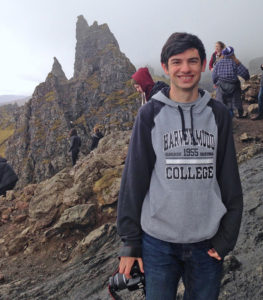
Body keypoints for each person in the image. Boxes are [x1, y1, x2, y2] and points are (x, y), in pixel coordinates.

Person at [117, 32, 243, 300]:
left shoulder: (218, 114)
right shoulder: (149, 114)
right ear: (165, 68)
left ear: (202, 64)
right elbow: (134, 179)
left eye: (192, 61)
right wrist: (130, 242)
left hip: (207, 242)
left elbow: (229, 178)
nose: (185, 69)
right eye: (177, 62)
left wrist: (226, 238)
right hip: (157, 244)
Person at [212, 46, 250, 118]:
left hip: (221, 86)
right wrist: (247, 78)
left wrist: (215, 83)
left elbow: (214, 76)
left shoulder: (218, 63)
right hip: (233, 87)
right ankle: (239, 113)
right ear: (232, 54)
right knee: (235, 102)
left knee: (222, 103)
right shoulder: (235, 63)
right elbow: (245, 73)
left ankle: (224, 119)